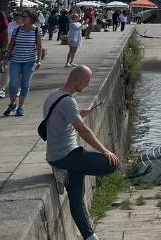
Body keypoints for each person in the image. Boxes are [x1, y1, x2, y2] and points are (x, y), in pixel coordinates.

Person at [44, 65, 120, 240]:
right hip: (67, 155)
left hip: (57, 156)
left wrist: (77, 113)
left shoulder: (54, 96)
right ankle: (68, 169)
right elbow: (83, 131)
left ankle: (90, 236)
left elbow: (59, 119)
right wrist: (105, 150)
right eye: (86, 81)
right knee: (111, 164)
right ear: (76, 79)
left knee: (77, 198)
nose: (88, 84)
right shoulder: (67, 101)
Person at [3, 10, 45, 117]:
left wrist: (38, 60)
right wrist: (7, 55)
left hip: (30, 61)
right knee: (12, 84)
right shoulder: (17, 30)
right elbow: (11, 44)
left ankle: (20, 107)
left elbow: (39, 47)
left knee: (25, 84)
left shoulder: (37, 31)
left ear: (31, 18)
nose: (22, 18)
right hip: (16, 60)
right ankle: (12, 104)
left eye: (25, 16)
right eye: (22, 16)